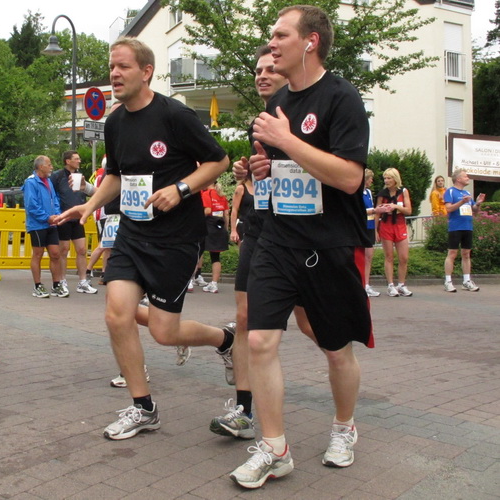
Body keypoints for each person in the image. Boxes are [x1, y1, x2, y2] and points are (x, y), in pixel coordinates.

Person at [55, 36, 233, 441]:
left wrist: (181, 189)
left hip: (176, 238)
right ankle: (143, 408)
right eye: (111, 67)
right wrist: (89, 205)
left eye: (123, 67)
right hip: (133, 234)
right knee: (116, 313)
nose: (115, 74)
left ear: (146, 71)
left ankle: (225, 340)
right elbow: (117, 175)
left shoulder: (175, 115)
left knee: (165, 333)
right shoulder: (116, 121)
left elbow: (219, 160)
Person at [230, 6, 374, 489]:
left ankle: (344, 427)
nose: (271, 43)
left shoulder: (342, 98)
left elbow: (350, 178)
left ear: (310, 41)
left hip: (329, 244)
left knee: (336, 349)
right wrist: (261, 170)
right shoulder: (278, 103)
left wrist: (287, 143)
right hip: (277, 240)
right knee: (259, 340)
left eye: (280, 35)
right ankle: (275, 448)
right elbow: (285, 171)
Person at [210, 45, 289, 438]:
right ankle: (243, 411)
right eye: (258, 70)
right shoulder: (258, 123)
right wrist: (248, 174)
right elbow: (263, 179)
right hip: (260, 228)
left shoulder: (306, 116)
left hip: (300, 236)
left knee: (317, 328)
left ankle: (344, 410)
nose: (262, 75)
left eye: (271, 69)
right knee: (244, 319)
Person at [50, 151, 98, 295]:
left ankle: (83, 282)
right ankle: (62, 281)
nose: (79, 161)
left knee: (82, 250)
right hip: (64, 217)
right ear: (68, 161)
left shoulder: (80, 176)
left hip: (78, 218)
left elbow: (88, 193)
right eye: (76, 159)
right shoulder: (57, 176)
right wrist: (56, 212)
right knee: (63, 250)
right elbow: (51, 195)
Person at [22, 155, 66, 298]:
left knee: (55, 253)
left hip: (51, 224)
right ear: (41, 166)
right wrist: (47, 217)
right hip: (37, 225)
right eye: (49, 164)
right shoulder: (30, 182)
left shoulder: (49, 181)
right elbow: (31, 205)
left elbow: (55, 200)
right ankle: (38, 286)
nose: (52, 167)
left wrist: (57, 215)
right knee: (38, 254)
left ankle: (56, 285)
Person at [443, 168, 485, 292]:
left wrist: (478, 203)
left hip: (467, 226)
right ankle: (448, 281)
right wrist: (462, 201)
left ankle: (467, 280)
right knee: (452, 253)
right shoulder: (450, 191)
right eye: (465, 176)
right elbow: (448, 208)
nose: (468, 178)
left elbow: (474, 211)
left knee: (466, 253)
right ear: (458, 179)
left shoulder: (467, 192)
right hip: (455, 227)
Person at [375, 167, 413, 297]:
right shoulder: (382, 194)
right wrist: (375, 230)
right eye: (385, 178)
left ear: (395, 179)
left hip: (400, 225)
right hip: (386, 225)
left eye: (389, 178)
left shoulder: (403, 191)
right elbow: (376, 213)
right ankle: (390, 285)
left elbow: (408, 211)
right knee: (389, 256)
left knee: (404, 257)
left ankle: (401, 284)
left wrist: (396, 206)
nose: (386, 180)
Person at [362, 169, 388, 297]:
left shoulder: (368, 192)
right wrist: (374, 210)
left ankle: (366, 284)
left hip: (370, 226)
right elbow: (359, 211)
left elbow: (372, 210)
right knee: (360, 256)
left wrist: (377, 210)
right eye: (370, 178)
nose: (372, 180)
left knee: (369, 256)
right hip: (361, 227)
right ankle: (361, 284)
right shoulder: (357, 193)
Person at [202, 182, 230, 294]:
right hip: (220, 225)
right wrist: (226, 229)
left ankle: (190, 280)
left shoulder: (207, 194)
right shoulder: (222, 195)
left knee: (198, 251)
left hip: (209, 225)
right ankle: (214, 284)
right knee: (215, 256)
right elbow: (226, 213)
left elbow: (208, 210)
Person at [230, 176, 253, 249]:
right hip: (244, 224)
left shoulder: (261, 189)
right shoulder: (241, 188)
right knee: (244, 251)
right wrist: (233, 230)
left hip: (257, 225)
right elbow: (234, 209)